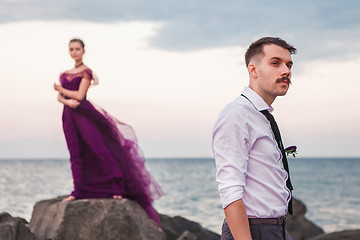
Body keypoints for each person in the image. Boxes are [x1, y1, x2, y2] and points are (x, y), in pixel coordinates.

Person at [54, 38, 163, 227]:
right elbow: (62, 99)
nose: (74, 52)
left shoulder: (86, 72)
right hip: (69, 116)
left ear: (83, 51)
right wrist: (67, 102)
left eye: (77, 49)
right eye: (71, 49)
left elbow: (79, 96)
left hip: (85, 115)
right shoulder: (64, 73)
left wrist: (63, 92)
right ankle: (78, 190)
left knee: (99, 149)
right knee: (76, 153)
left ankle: (116, 187)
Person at [212, 37, 297, 240]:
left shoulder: (262, 117)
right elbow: (230, 190)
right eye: (275, 63)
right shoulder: (237, 115)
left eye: (289, 64)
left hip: (277, 229)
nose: (286, 70)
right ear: (253, 70)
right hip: (253, 231)